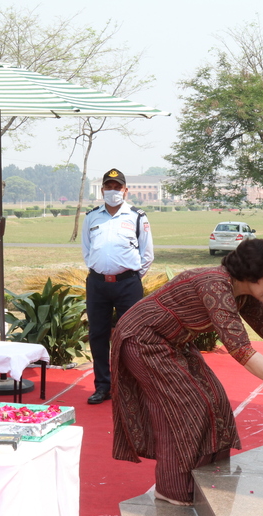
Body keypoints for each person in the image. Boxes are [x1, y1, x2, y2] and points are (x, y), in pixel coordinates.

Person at [110, 239, 263, 505]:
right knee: (188, 408)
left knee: (216, 402)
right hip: (143, 340)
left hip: (174, 341)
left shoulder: (243, 293)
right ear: (252, 274)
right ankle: (172, 488)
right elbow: (242, 351)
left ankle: (208, 481)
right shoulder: (215, 286)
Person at [82, 168, 153, 405]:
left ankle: (130, 387)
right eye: (109, 187)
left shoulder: (137, 216)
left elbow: (147, 255)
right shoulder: (92, 217)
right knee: (98, 335)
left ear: (125, 190)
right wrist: (102, 270)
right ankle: (103, 386)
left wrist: (131, 277)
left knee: (131, 337)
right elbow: (87, 251)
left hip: (127, 285)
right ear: (102, 189)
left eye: (117, 187)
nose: (113, 191)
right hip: (97, 284)